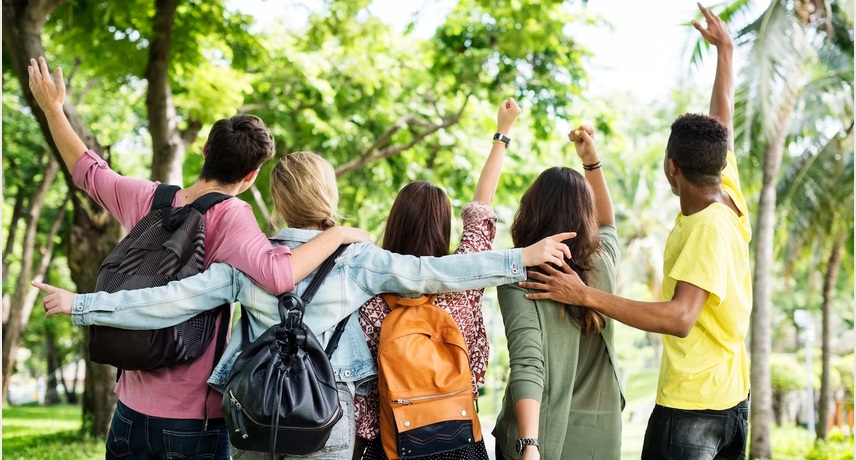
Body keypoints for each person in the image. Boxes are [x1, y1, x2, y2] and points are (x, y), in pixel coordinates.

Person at [36, 150, 575, 460]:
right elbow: (437, 271)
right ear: (329, 197)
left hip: (252, 415)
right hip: (327, 419)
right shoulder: (358, 260)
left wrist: (82, 304)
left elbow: (167, 302)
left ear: (275, 202)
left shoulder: (248, 259)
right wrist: (519, 257)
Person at [27, 56, 368, 460]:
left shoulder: (147, 199)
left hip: (129, 413)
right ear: (251, 176)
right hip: (192, 422)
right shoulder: (233, 217)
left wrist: (53, 108)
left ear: (204, 150)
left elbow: (86, 168)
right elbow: (280, 275)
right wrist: (340, 234)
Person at [518, 5, 752, 459]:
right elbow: (720, 121)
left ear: (671, 168)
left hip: (693, 411)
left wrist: (583, 294)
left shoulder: (707, 229)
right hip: (731, 402)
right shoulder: (726, 192)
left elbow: (681, 318)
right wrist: (726, 51)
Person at [353, 98, 521, 460]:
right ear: (443, 227)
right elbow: (481, 210)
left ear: (394, 222)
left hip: (390, 443)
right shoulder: (463, 281)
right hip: (457, 435)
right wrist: (502, 134)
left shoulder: (368, 289)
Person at [492, 125, 623, 460]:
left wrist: (528, 445)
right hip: (601, 434)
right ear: (585, 214)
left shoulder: (520, 275)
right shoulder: (602, 263)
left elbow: (528, 364)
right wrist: (591, 162)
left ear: (531, 210)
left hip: (542, 437)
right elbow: (607, 222)